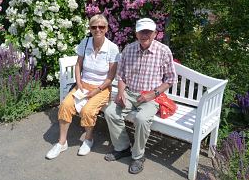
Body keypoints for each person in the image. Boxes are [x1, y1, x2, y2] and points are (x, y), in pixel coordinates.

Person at [104, 18, 177, 174]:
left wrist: (152, 94)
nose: (145, 35)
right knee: (110, 112)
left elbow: (171, 79)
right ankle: (122, 147)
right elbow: (121, 75)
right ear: (136, 33)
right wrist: (121, 92)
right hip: (130, 93)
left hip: (151, 97)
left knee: (141, 119)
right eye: (141, 31)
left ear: (155, 34)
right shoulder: (128, 49)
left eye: (148, 32)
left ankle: (138, 156)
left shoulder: (163, 51)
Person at [46, 14, 119, 159]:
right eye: (94, 27)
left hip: (101, 88)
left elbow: (110, 77)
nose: (97, 29)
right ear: (90, 29)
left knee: (87, 111)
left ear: (106, 29)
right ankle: (62, 142)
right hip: (83, 84)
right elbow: (78, 65)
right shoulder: (85, 43)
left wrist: (96, 91)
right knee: (65, 105)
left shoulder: (112, 48)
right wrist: (79, 83)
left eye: (101, 27)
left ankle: (88, 139)